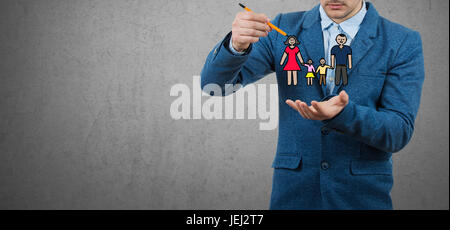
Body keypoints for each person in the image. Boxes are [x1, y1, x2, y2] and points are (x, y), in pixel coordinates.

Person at [200, 0, 424, 210]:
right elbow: (214, 86)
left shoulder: (402, 40)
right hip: (293, 195)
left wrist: (344, 114)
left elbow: (398, 131)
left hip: (360, 197)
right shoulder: (282, 29)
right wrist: (236, 46)